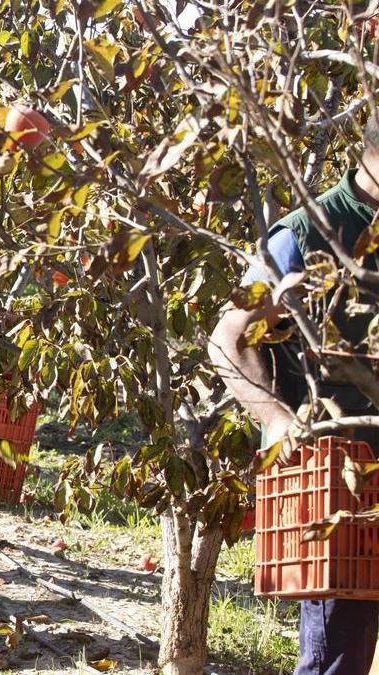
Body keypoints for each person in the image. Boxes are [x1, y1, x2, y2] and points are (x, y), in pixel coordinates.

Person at [209, 121, 379, 675]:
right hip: (340, 483)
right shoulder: (306, 235)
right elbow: (229, 337)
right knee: (339, 655)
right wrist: (278, 419)